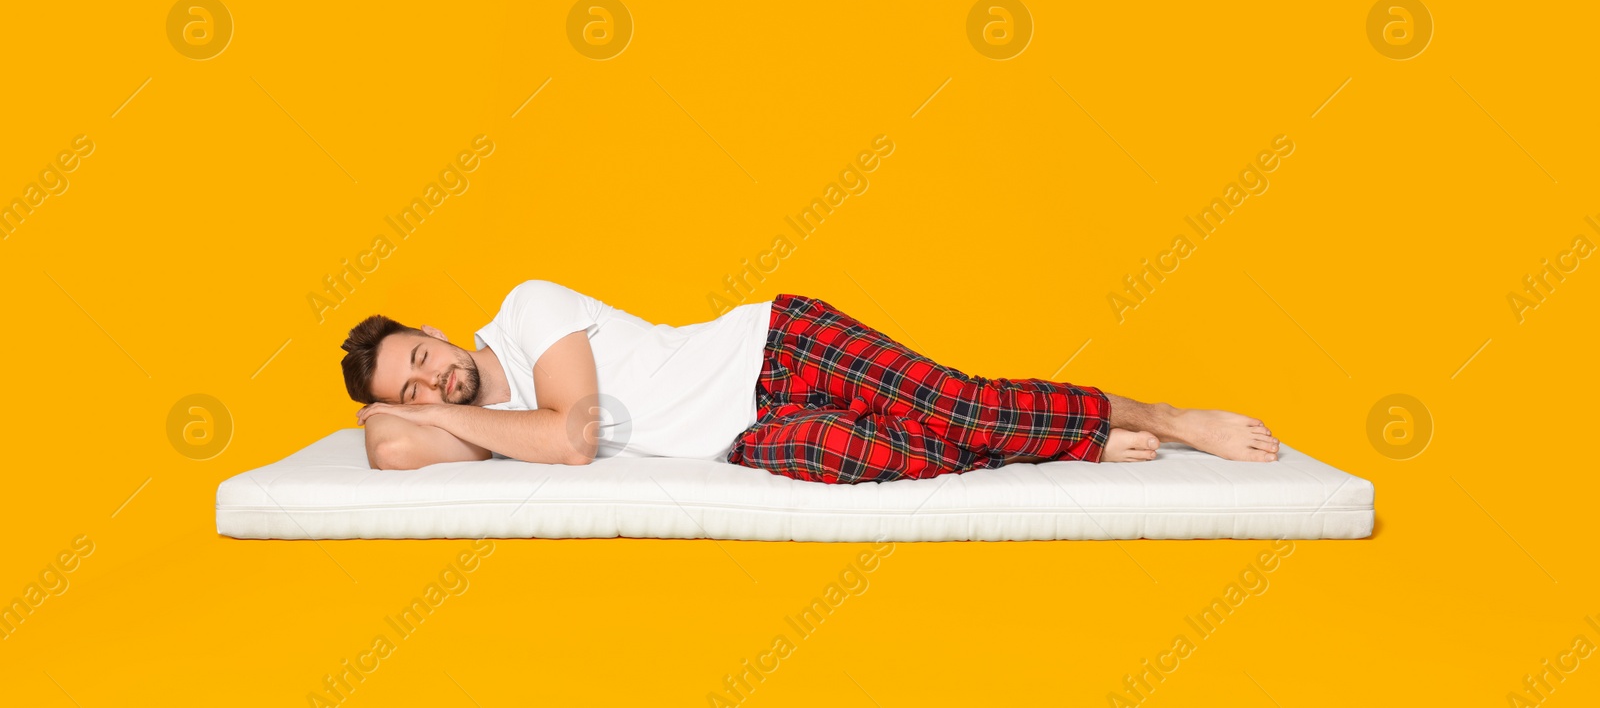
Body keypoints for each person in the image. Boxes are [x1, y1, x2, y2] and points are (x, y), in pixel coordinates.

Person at [341, 279, 1279, 484]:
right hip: (744, 437)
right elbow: (385, 449)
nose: (432, 385)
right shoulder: (456, 414)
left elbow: (572, 437)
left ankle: (1161, 413)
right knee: (880, 460)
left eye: (422, 360)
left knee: (960, 406)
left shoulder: (525, 310)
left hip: (776, 351)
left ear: (435, 333)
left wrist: (467, 424)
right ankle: (1069, 435)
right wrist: (433, 418)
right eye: (411, 389)